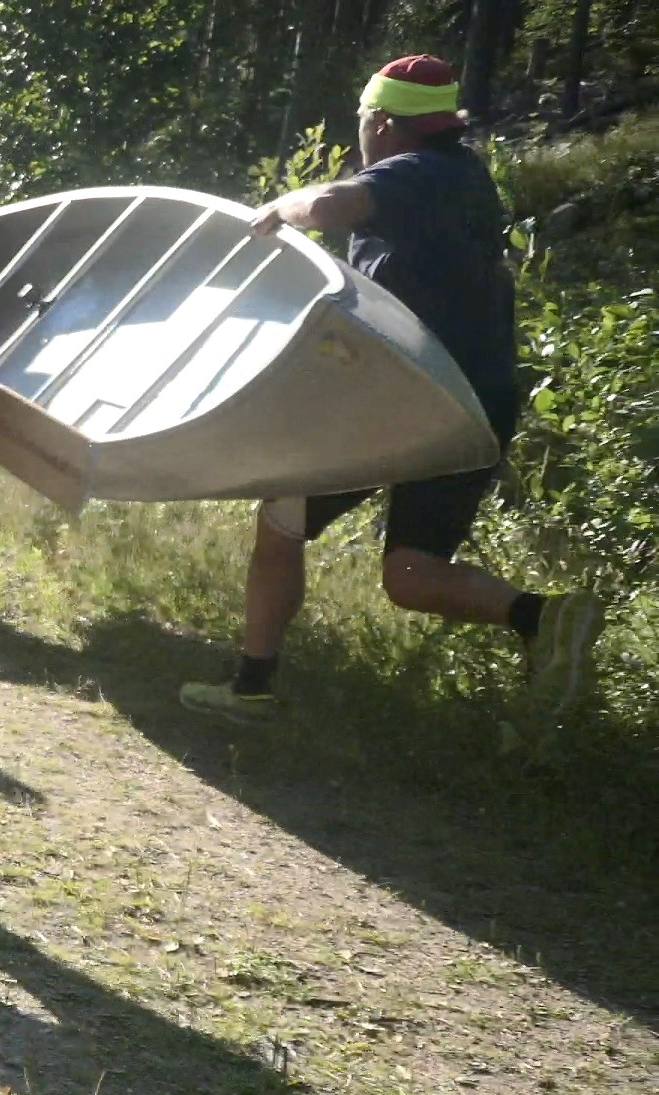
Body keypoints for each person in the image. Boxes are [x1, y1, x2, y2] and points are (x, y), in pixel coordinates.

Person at [180, 54, 601, 725]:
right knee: (411, 574)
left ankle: (251, 689)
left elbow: (326, 205)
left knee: (282, 518)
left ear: (380, 121)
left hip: (403, 402)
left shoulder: (416, 173)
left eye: (361, 123)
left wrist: (279, 208)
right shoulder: (464, 178)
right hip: (473, 409)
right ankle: (542, 618)